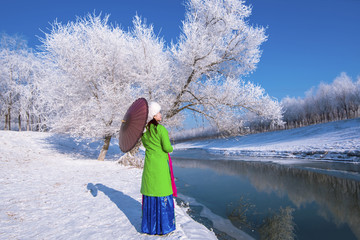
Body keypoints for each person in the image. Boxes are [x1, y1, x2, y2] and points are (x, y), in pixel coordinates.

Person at [140, 101, 176, 235]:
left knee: (151, 192)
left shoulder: (143, 133)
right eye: (158, 112)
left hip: (149, 166)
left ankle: (149, 227)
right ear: (153, 116)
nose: (161, 114)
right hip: (160, 166)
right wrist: (171, 148)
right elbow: (167, 147)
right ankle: (164, 227)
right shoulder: (161, 129)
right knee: (162, 193)